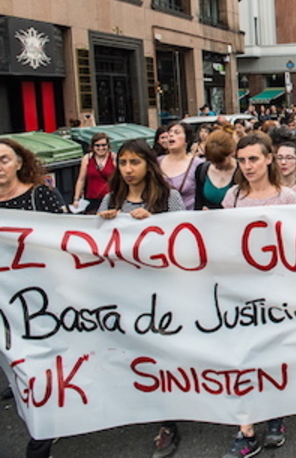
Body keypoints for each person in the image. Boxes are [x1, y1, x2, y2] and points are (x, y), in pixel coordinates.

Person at [95, 139, 184, 458]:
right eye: (123, 163)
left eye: (135, 162)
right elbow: (95, 249)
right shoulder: (111, 198)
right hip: (124, 291)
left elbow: (183, 241)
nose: (129, 169)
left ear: (148, 164)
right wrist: (105, 224)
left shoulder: (168, 198)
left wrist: (155, 226)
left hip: (160, 292)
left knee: (161, 355)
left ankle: (167, 422)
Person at [221, 132, 296, 457]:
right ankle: (247, 428)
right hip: (241, 291)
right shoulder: (232, 197)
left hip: (275, 291)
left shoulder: (287, 198)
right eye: (242, 160)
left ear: (269, 159)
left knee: (272, 355)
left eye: (254, 158)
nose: (248, 166)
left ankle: (275, 415)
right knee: (243, 356)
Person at [0, 139, 66, 458]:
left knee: (39, 372)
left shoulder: (41, 195)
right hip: (2, 306)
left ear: (18, 163)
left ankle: (42, 438)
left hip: (40, 303)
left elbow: (69, 239)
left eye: (3, 159)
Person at [158, 122, 203, 210]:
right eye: (169, 132)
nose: (171, 135)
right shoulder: (157, 162)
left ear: (187, 140)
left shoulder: (198, 164)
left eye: (176, 132)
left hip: (187, 219)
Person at [193, 127, 237, 210]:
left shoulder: (242, 171)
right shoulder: (202, 170)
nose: (217, 166)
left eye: (221, 161)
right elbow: (198, 202)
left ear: (231, 153)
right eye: (213, 161)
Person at [72, 132, 116, 214]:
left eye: (103, 145)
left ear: (108, 146)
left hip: (110, 200)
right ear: (92, 146)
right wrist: (76, 199)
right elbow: (81, 180)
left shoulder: (113, 158)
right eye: (97, 145)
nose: (101, 148)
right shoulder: (87, 158)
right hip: (92, 200)